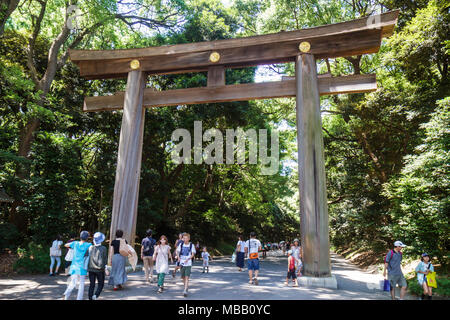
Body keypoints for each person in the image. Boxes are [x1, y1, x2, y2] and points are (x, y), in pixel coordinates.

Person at [63, 231, 92, 300]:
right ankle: (79, 298)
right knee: (81, 284)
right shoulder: (89, 245)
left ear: (80, 236)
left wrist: (71, 247)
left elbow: (66, 245)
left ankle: (66, 295)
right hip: (83, 267)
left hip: (74, 266)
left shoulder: (75, 243)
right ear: (87, 238)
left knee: (73, 282)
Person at [87, 232, 108, 300]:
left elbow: (87, 257)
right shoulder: (103, 248)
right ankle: (95, 296)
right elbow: (105, 259)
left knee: (92, 285)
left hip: (91, 269)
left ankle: (90, 298)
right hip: (100, 269)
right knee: (101, 284)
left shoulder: (90, 247)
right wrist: (106, 269)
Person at [176, 233, 196, 297]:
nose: (185, 239)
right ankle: (186, 286)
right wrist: (178, 257)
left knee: (187, 276)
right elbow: (177, 251)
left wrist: (189, 258)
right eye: (184, 238)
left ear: (189, 238)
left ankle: (185, 290)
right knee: (182, 277)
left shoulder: (191, 245)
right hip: (182, 263)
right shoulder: (181, 244)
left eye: (186, 238)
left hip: (188, 263)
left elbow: (193, 254)